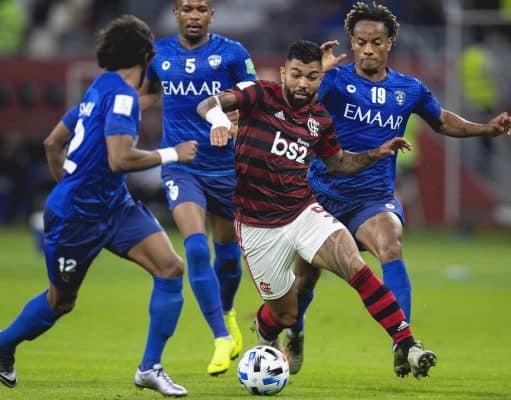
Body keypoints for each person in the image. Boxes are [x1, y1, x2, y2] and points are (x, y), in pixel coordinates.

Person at [286, 1, 511, 375]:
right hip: (323, 196)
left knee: (390, 243)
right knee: (305, 279)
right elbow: (293, 101)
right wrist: (314, 77)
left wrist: (485, 128)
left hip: (372, 199)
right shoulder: (333, 81)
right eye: (360, 42)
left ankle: (402, 340)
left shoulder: (408, 89)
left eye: (376, 42)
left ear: (390, 42)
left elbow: (441, 121)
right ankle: (294, 332)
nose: (368, 50)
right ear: (352, 42)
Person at [196, 39, 437, 379]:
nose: (303, 84)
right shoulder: (260, 94)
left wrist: (375, 153)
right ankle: (270, 334)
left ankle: (407, 344)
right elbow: (208, 103)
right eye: (296, 75)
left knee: (355, 266)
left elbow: (337, 163)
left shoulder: (320, 119)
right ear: (284, 73)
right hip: (257, 226)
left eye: (311, 77)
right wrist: (219, 121)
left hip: (303, 212)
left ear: (319, 79)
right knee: (286, 314)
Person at [0, 15, 197, 397]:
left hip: (113, 207)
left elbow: (52, 143)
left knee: (171, 268)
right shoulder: (121, 96)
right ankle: (2, 346)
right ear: (143, 55)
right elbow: (119, 159)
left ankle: (149, 368)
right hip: (77, 218)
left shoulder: (101, 87)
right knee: (61, 302)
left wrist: (70, 186)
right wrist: (173, 153)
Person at [138, 0, 257, 376]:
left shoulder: (233, 54)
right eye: (187, 8)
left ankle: (228, 312)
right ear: (176, 13)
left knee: (227, 256)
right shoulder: (158, 54)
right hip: (182, 165)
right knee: (194, 246)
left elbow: (254, 101)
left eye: (201, 9)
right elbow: (150, 93)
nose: (194, 15)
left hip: (226, 169)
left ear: (211, 15)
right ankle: (221, 337)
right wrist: (113, 105)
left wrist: (234, 123)